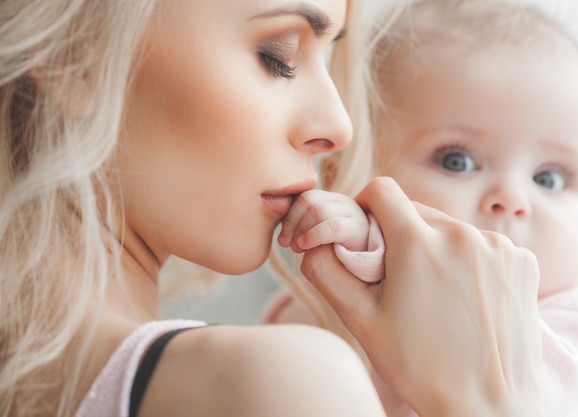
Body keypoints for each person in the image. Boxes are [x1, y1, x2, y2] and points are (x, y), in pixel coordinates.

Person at [0, 0, 548, 416]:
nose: (339, 127)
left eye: (330, 60)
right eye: (278, 57)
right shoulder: (284, 385)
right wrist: (489, 395)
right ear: (72, 55)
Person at [264, 0, 578, 416]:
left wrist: (370, 249)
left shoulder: (571, 324)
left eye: (549, 178)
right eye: (456, 161)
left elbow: (520, 384)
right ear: (345, 181)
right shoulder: (307, 300)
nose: (512, 198)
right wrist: (364, 251)